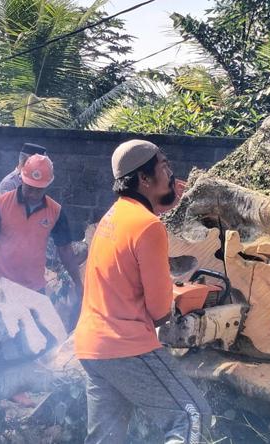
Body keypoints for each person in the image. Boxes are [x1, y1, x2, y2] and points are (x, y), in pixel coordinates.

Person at [74, 140, 211, 444]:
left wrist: (165, 204)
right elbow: (160, 312)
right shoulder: (149, 227)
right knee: (192, 417)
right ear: (144, 178)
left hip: (91, 346)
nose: (172, 174)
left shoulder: (113, 217)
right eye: (164, 167)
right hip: (126, 347)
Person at [0, 154, 83, 295]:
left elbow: (65, 251)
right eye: (29, 187)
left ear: (47, 185)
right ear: (21, 179)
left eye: (38, 190)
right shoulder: (0, 204)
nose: (33, 194)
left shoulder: (55, 212)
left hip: (33, 288)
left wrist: (78, 282)